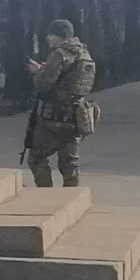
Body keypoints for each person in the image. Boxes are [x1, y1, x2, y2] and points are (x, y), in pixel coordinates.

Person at [23, 19, 99, 188]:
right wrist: (47, 68)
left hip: (54, 117)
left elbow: (45, 84)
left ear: (60, 35)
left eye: (50, 35)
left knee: (36, 157)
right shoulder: (83, 53)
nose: (47, 39)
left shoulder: (60, 54)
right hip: (76, 116)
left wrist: (37, 72)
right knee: (69, 162)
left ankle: (46, 197)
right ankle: (71, 198)